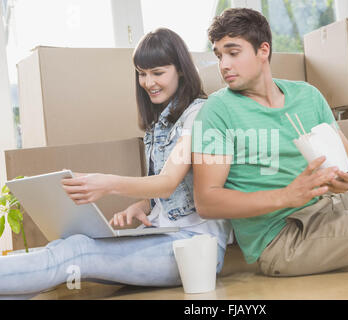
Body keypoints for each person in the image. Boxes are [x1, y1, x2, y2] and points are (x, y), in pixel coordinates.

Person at [191, 8, 348, 277]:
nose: (224, 65)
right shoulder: (217, 111)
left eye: (233, 53)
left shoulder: (307, 96)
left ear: (263, 50)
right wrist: (286, 195)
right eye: (219, 55)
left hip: (331, 204)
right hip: (285, 238)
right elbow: (207, 201)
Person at [0, 28, 231, 298]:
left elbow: (167, 184)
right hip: (163, 235)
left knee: (77, 252)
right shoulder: (158, 124)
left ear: (180, 70)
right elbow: (173, 189)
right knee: (67, 247)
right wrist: (142, 206)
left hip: (195, 249)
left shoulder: (199, 115)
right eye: (141, 74)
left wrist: (106, 183)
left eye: (157, 73)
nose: (148, 82)